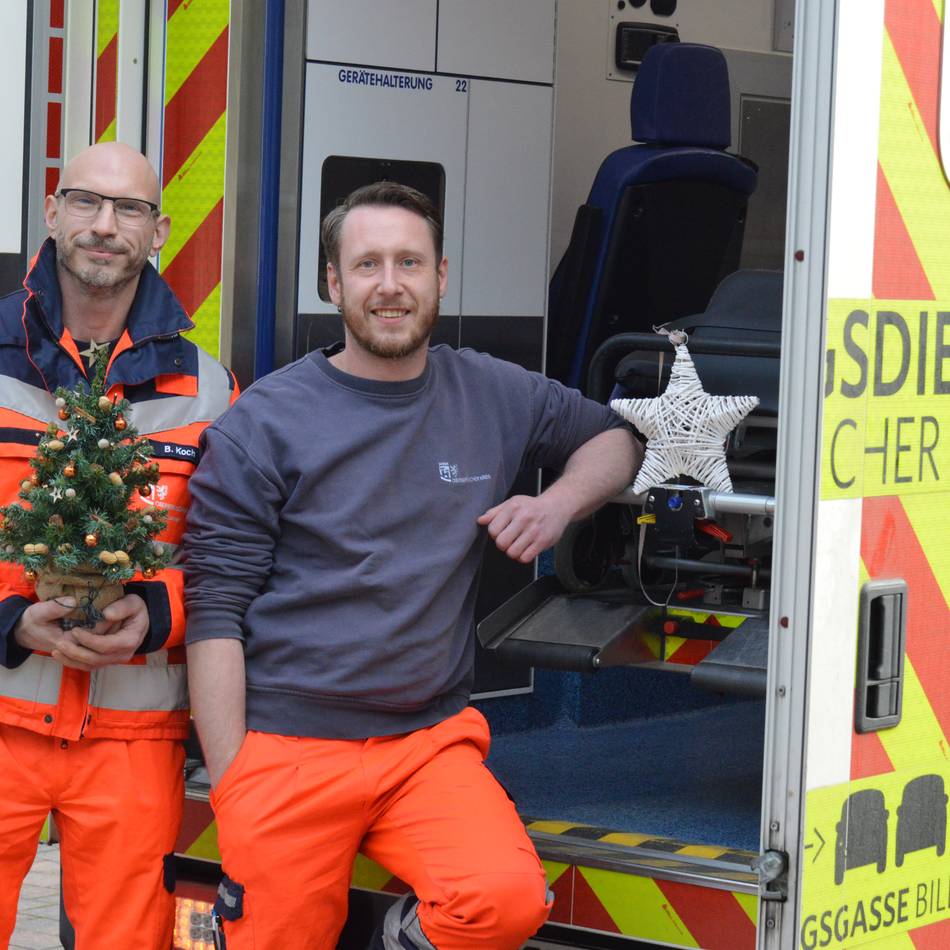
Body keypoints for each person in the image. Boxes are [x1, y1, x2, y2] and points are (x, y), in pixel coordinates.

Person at [184, 181, 642, 950]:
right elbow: (215, 613)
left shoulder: (490, 391)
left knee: (503, 903)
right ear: (333, 283)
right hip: (289, 749)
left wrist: (557, 505)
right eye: (367, 265)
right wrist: (235, 785)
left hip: (426, 743)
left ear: (441, 276)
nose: (390, 284)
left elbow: (617, 441)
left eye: (409, 262)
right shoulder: (264, 422)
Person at [0, 142, 237, 948]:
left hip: (133, 738)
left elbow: (234, 559)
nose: (106, 226)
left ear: (159, 229)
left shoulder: (209, 389)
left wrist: (155, 611)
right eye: (87, 203)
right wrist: (7, 620)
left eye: (129, 208)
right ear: (51, 212)